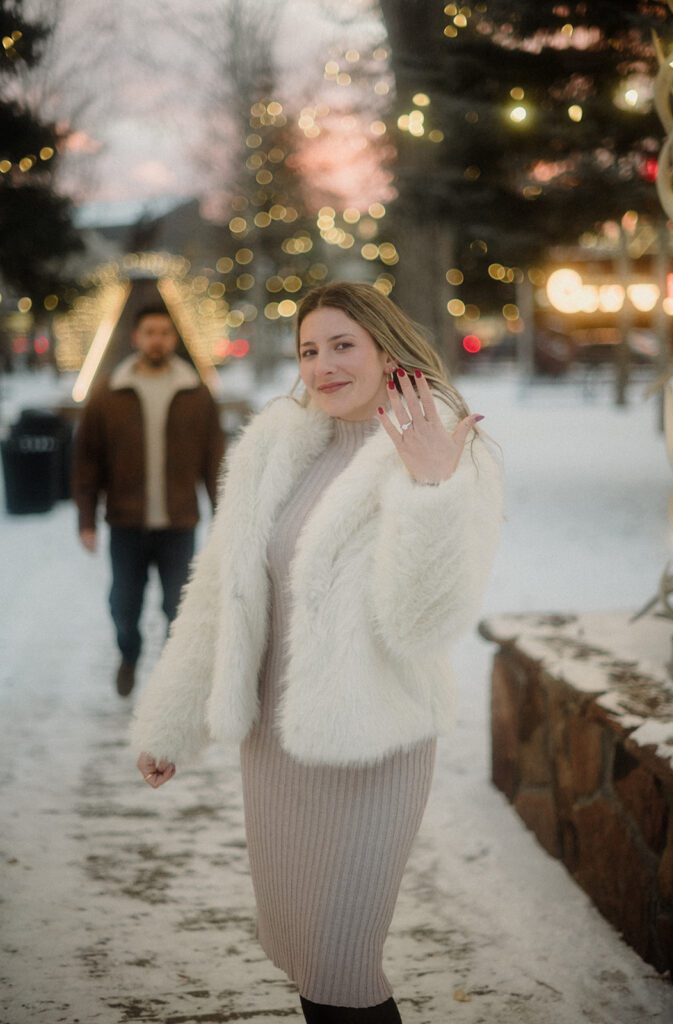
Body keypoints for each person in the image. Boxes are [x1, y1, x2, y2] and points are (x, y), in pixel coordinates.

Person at [131, 282, 504, 1023]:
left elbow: (420, 626)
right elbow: (221, 594)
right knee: (308, 960)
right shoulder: (279, 443)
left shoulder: (443, 445)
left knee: (342, 966)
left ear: (384, 346)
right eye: (309, 349)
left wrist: (431, 489)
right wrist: (172, 723)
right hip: (275, 745)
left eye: (342, 345)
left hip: (373, 744)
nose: (323, 366)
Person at [71, 305, 225, 697]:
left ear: (174, 339)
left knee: (178, 609)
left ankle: (170, 680)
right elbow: (87, 461)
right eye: (150, 332)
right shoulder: (110, 392)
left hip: (179, 523)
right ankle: (129, 653)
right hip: (126, 523)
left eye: (165, 332)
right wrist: (86, 520)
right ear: (137, 338)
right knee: (124, 606)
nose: (157, 339)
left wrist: (224, 516)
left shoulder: (196, 392)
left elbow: (215, 460)